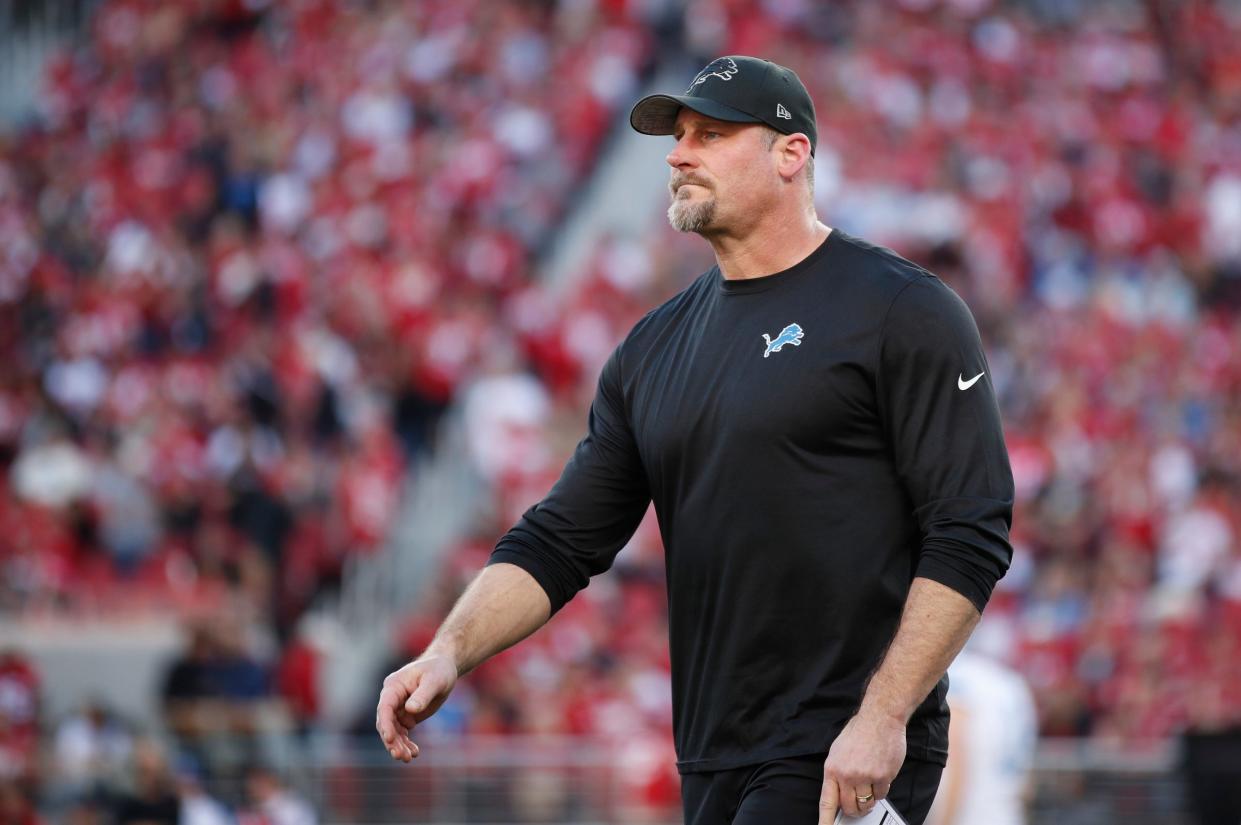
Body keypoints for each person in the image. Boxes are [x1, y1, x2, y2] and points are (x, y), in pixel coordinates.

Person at [375, 55, 1014, 825]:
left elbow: (969, 528)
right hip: (710, 753)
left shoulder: (900, 308)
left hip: (840, 751)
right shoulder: (650, 349)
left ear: (790, 153)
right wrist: (449, 648)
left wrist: (883, 715)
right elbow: (559, 540)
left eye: (709, 134)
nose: (677, 154)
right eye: (677, 137)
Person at [924, 647, 1038, 825]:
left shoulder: (956, 675)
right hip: (1008, 815)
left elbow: (954, 761)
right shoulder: (1012, 683)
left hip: (968, 816)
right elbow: (1026, 784)